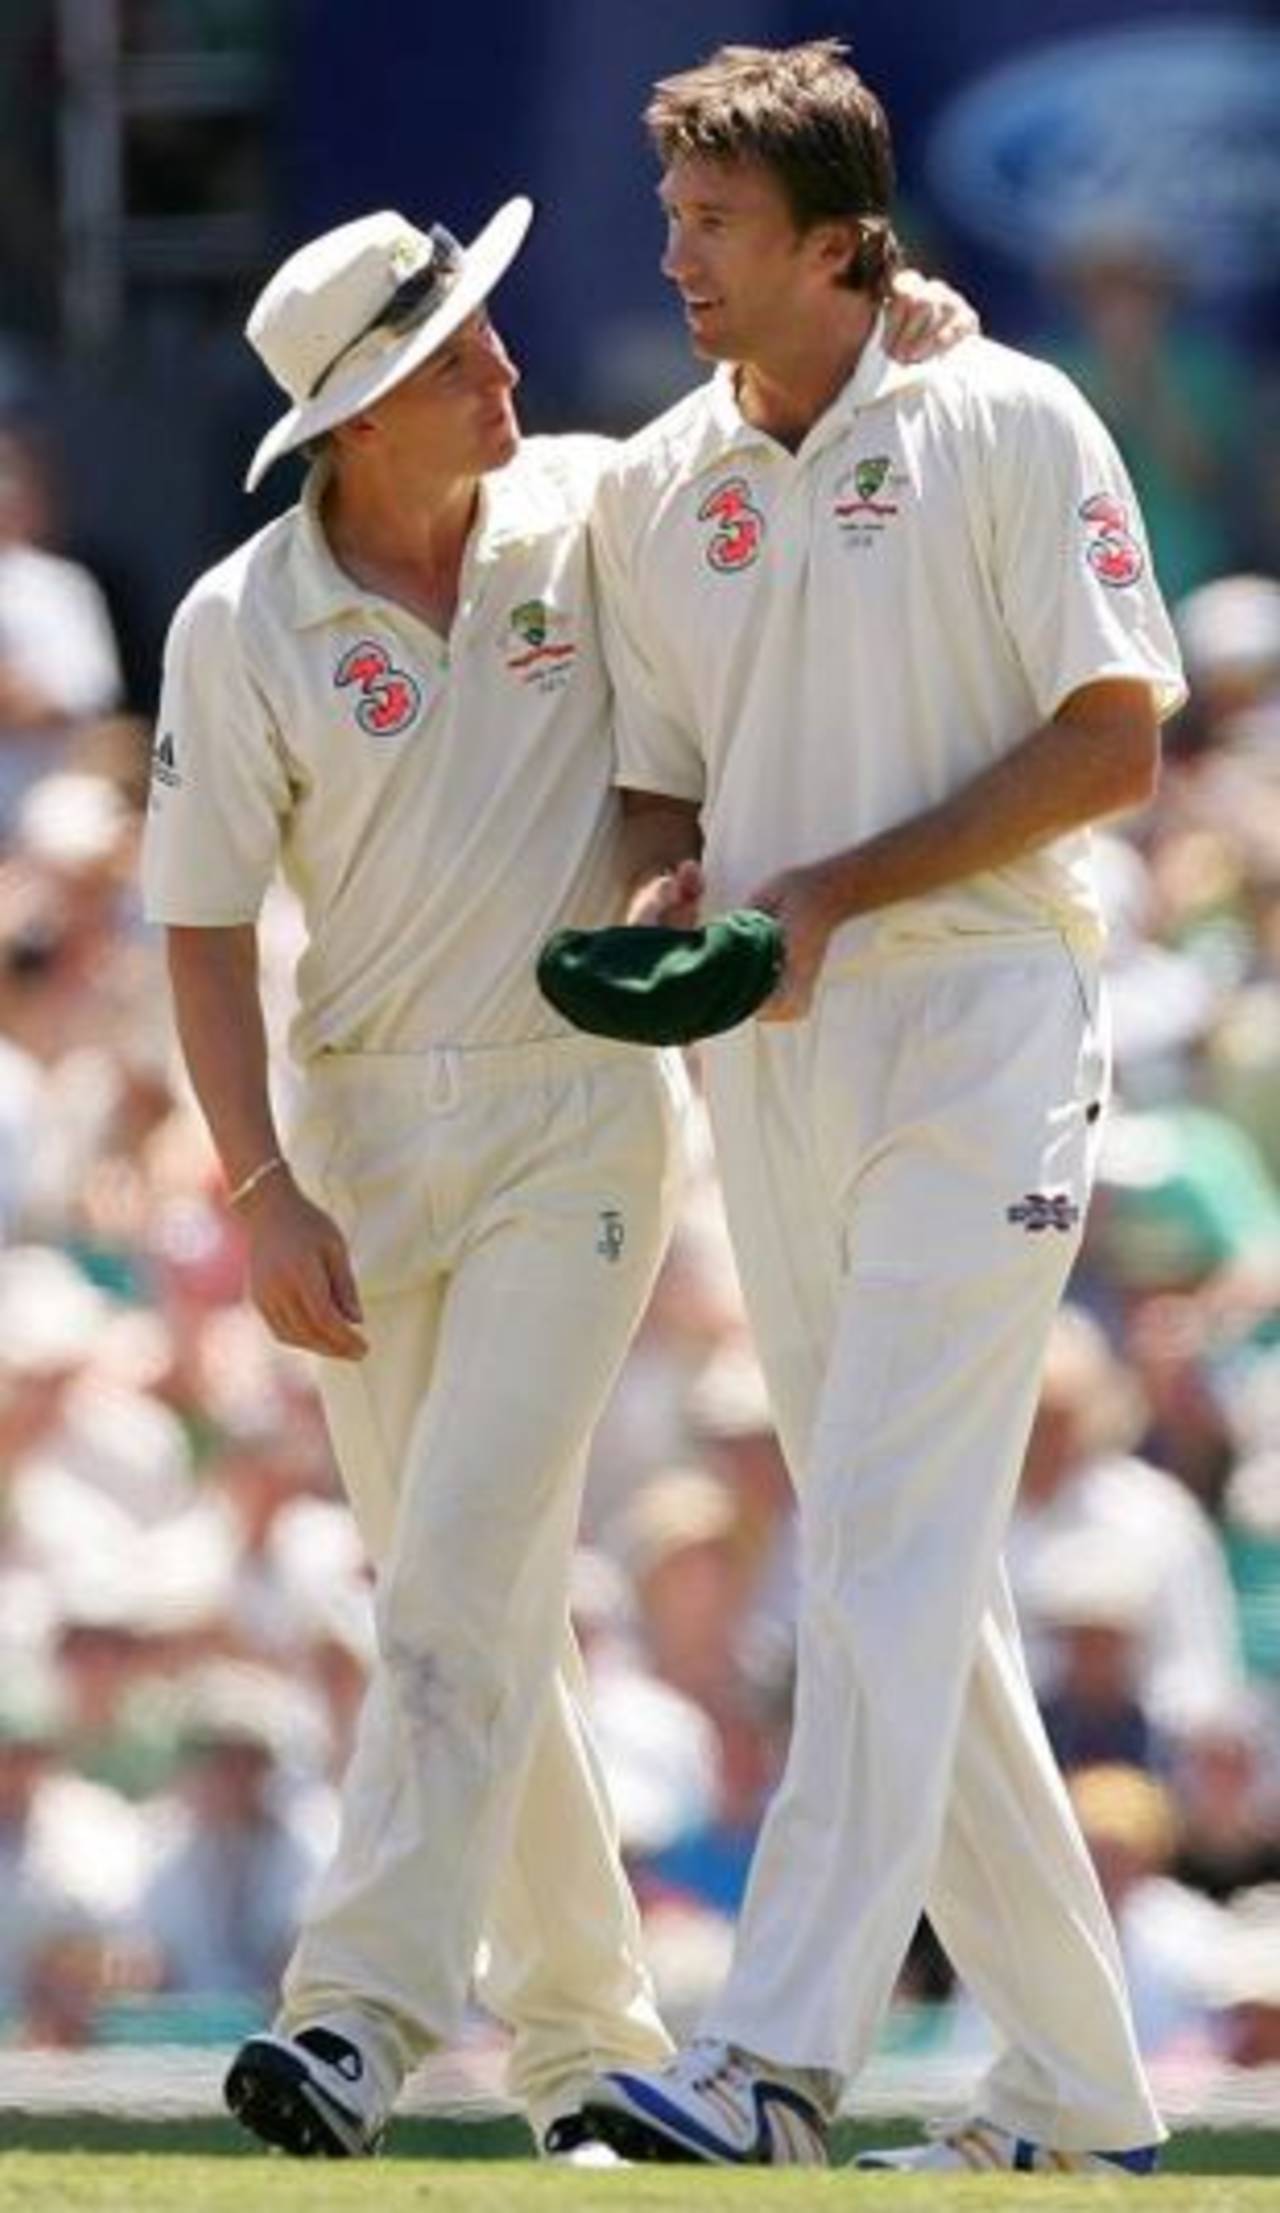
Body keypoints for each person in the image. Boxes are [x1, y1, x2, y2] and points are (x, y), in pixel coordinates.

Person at [139, 196, 974, 2160]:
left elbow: (770, 439)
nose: (508, 367)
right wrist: (259, 1184)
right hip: (357, 1140)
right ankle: (593, 2051)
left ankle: (349, 2015)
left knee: (463, 1563)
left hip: (572, 1112)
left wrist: (890, 337)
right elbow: (195, 928)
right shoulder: (241, 621)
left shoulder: (590, 510)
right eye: (455, 361)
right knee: (469, 1590)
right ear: (357, 420)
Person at [578, 40, 1183, 2176]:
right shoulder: (657, 481)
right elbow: (663, 762)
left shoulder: (1010, 415)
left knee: (888, 1545)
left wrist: (836, 883)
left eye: (716, 228)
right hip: (775, 1038)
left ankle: (770, 2059)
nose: (678, 261)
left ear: (845, 245)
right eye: (670, 220)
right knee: (909, 1575)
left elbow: (1114, 740)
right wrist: (680, 876)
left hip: (990, 1014)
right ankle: (1081, 2100)